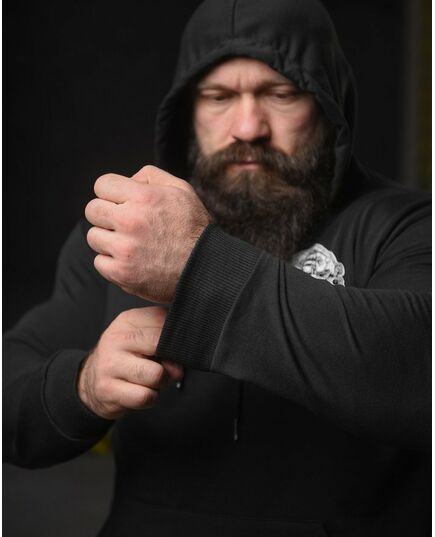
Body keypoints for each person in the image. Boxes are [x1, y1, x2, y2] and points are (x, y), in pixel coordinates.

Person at [4, 0, 431, 535]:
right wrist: (84, 384)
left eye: (281, 93)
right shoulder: (129, 237)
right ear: (187, 112)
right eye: (218, 97)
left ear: (329, 103)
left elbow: (423, 370)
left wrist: (199, 269)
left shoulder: (407, 225)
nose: (247, 127)